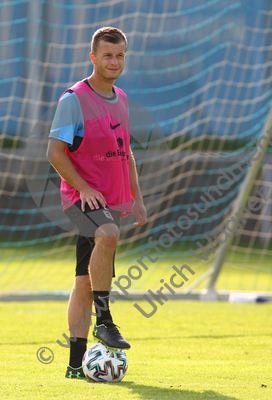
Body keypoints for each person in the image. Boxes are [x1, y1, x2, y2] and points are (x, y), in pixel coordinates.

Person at [47, 27, 147, 379]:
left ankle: (75, 365)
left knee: (84, 281)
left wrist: (136, 198)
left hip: (114, 201)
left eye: (119, 55)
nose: (114, 61)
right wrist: (83, 188)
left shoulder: (120, 97)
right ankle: (105, 321)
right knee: (107, 234)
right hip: (82, 198)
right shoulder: (73, 99)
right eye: (107, 55)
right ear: (93, 57)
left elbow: (127, 153)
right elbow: (55, 153)